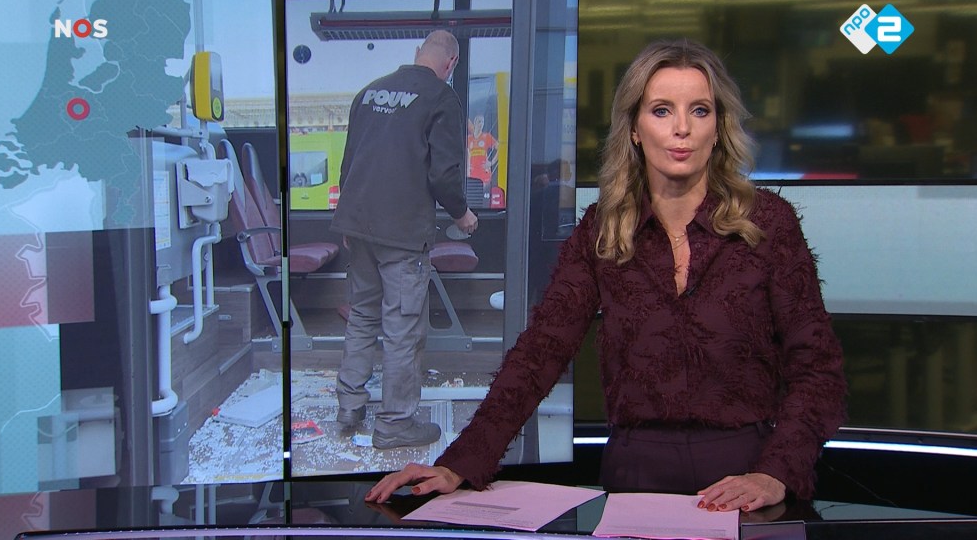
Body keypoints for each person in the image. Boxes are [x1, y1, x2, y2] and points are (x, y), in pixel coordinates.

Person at [366, 39, 846, 510]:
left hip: (745, 473)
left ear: (718, 127)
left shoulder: (769, 224)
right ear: (634, 128)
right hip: (636, 475)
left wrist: (776, 472)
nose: (682, 128)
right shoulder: (603, 229)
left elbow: (817, 366)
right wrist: (461, 462)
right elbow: (540, 353)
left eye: (699, 111)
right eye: (661, 110)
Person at [331, 30, 478, 449]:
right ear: (451, 63)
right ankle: (395, 423)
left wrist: (349, 222)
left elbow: (348, 162)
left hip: (359, 224)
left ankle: (349, 407)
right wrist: (462, 214)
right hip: (402, 233)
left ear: (417, 53)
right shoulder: (441, 98)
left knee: (363, 315)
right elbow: (443, 174)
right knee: (402, 328)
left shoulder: (368, 92)